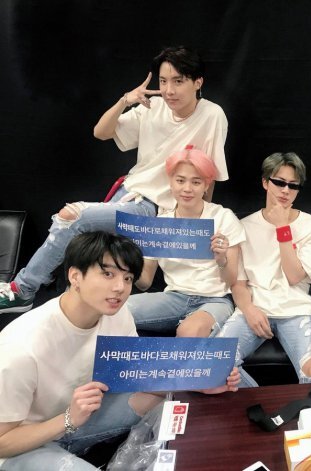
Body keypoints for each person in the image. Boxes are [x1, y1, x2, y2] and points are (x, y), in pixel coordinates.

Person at [0, 45, 228, 314]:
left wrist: (199, 222)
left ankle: (23, 290)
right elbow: (101, 132)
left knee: (72, 216)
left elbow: (210, 174)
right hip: (128, 193)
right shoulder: (152, 106)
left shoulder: (212, 115)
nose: (169, 90)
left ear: (197, 82)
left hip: (155, 208)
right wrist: (125, 101)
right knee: (87, 248)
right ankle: (66, 309)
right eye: (163, 81)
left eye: (178, 81)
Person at [0, 231, 239, 470]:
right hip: (25, 444)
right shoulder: (21, 348)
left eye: (127, 278)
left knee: (170, 404)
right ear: (75, 276)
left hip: (81, 417)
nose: (120, 287)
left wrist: (199, 382)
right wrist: (68, 419)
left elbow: (136, 375)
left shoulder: (116, 314)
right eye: (108, 274)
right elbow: (2, 442)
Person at [218, 152, 311, 387]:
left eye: (293, 185)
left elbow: (294, 276)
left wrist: (282, 227)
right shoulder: (243, 226)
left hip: (296, 310)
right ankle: (262, 403)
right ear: (265, 182)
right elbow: (238, 283)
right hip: (255, 307)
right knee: (217, 360)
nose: (285, 190)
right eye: (279, 182)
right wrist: (248, 309)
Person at [127, 145, 244, 338]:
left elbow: (231, 281)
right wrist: (129, 258)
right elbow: (144, 282)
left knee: (189, 331)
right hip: (174, 297)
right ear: (171, 182)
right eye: (180, 180)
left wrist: (222, 259)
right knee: (113, 310)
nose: (187, 189)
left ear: (206, 185)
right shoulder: (159, 224)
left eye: (196, 182)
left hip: (215, 300)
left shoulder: (223, 217)